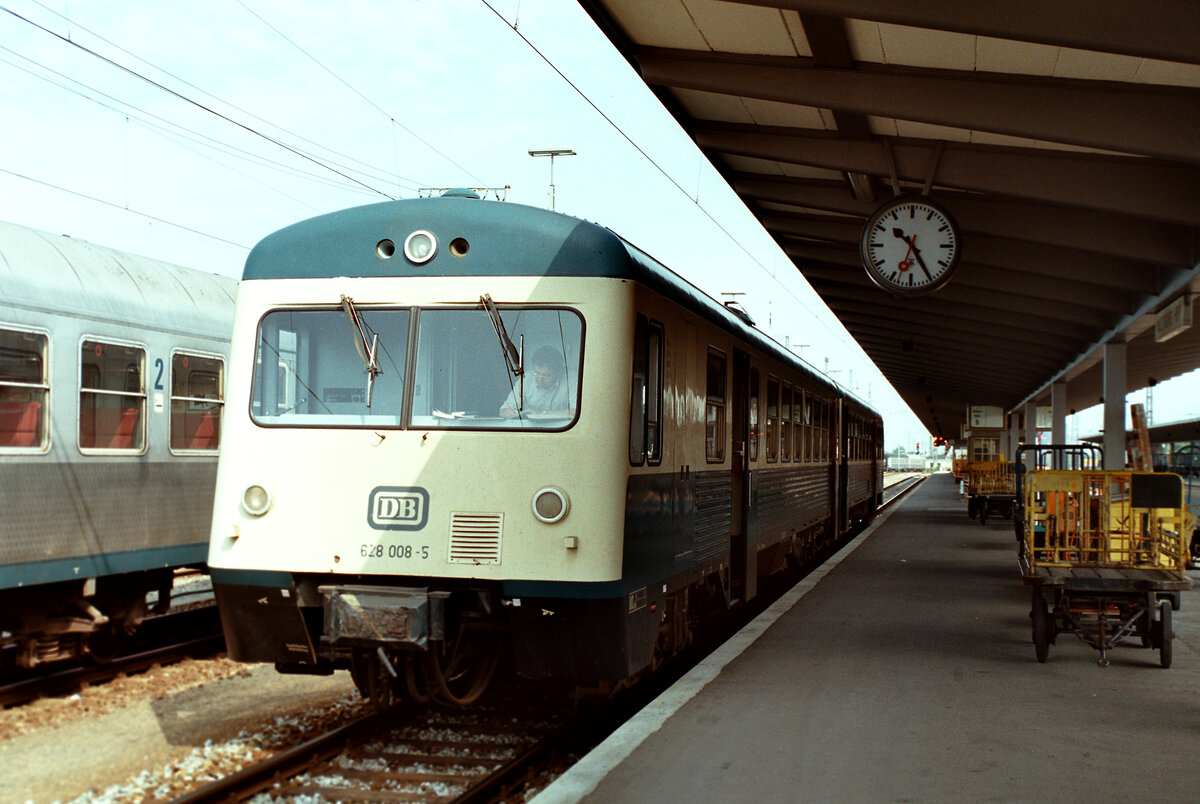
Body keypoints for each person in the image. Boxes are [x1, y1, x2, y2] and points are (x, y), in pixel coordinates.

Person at [499, 345, 574, 418]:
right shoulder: (526, 379)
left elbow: (577, 411)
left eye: (546, 376)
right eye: (536, 373)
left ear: (559, 372)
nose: (540, 379)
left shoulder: (571, 379)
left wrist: (542, 414)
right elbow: (503, 411)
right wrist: (513, 413)